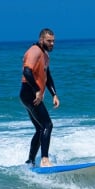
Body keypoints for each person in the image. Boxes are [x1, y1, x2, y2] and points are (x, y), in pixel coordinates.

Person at [20, 28, 60, 167]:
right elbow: (26, 72)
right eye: (49, 41)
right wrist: (37, 90)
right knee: (47, 125)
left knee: (39, 127)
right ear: (41, 40)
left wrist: (54, 94)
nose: (52, 44)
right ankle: (44, 160)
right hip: (29, 92)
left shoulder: (45, 56)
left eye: (53, 41)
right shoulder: (34, 51)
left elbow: (47, 77)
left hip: (29, 94)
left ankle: (30, 161)